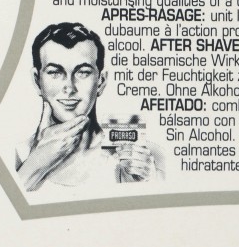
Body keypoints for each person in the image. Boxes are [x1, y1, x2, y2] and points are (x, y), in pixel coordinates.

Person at [15, 22, 164, 191]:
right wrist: (36, 164)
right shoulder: (16, 155)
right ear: (37, 81)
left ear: (101, 81)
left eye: (83, 72)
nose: (69, 87)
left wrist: (143, 185)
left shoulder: (148, 159)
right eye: (55, 72)